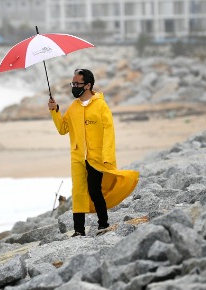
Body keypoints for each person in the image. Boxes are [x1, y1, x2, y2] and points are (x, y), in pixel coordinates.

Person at [48, 68, 138, 237]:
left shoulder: (101, 105)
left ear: (88, 85)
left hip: (96, 156)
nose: (74, 86)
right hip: (77, 156)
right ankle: (78, 230)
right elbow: (62, 129)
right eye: (72, 83)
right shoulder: (73, 108)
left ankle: (103, 224)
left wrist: (108, 156)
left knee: (95, 190)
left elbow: (109, 132)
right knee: (78, 191)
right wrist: (55, 111)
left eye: (77, 84)